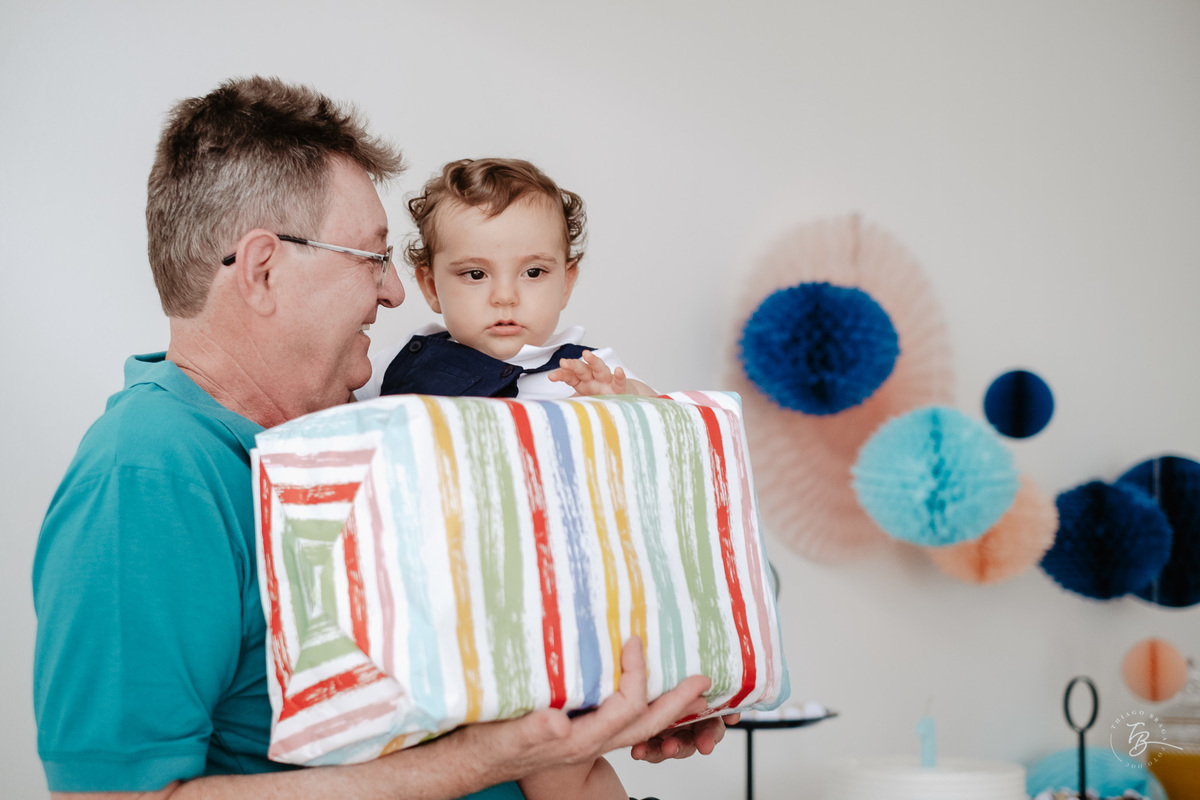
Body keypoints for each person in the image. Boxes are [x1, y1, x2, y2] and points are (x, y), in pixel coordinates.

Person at [32, 76, 732, 800]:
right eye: (372, 257)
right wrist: (486, 759)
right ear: (265, 270)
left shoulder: (367, 439)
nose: (395, 292)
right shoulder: (149, 472)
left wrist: (618, 699)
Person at [355, 157, 657, 403]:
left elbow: (676, 417)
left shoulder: (591, 369)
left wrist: (626, 398)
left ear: (566, 283)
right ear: (432, 287)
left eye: (533, 272)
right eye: (475, 274)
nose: (505, 296)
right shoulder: (401, 360)